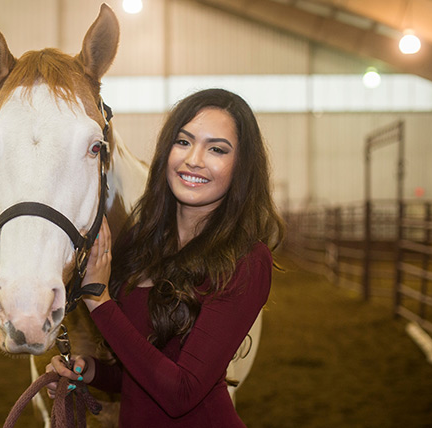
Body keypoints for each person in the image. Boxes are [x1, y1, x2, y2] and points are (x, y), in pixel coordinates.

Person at [46, 88, 285, 427]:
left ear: (241, 166)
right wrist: (91, 371)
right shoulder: (142, 241)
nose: (194, 159)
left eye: (216, 149)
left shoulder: (246, 260)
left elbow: (181, 393)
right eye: (184, 142)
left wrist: (100, 302)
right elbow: (144, 377)